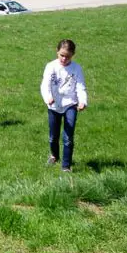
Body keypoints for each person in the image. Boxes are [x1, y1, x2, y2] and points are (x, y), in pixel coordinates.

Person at [40, 39, 88, 172]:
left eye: (67, 56)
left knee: (68, 136)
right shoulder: (51, 66)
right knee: (53, 136)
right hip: (54, 105)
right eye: (61, 55)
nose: (64, 58)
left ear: (73, 55)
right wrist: (48, 97)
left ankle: (66, 166)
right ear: (57, 52)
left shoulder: (76, 68)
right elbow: (45, 85)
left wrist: (82, 101)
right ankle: (54, 155)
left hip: (70, 105)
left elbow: (80, 86)